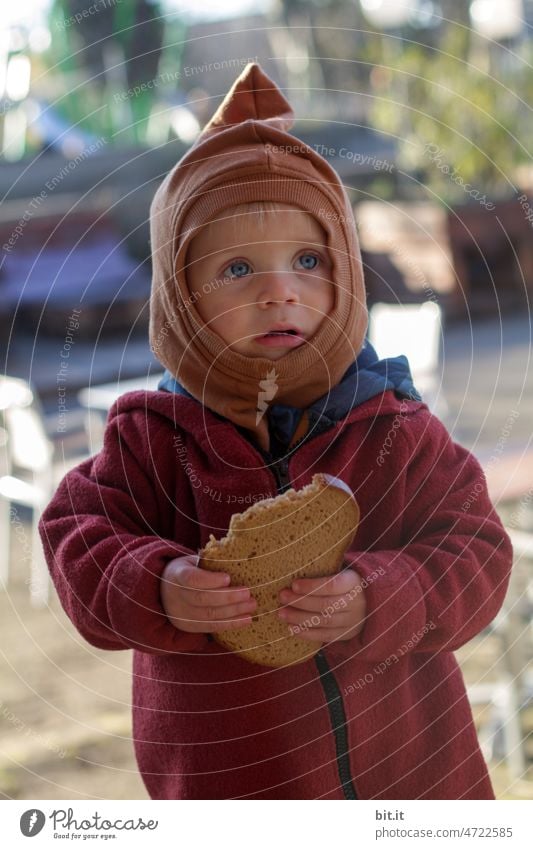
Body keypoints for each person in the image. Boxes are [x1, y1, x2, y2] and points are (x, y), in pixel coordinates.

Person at [39, 63, 513, 800]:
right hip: (238, 789)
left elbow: (477, 552)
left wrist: (380, 593)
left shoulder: (393, 426)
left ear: (346, 273)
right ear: (179, 298)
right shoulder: (151, 440)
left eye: (307, 260)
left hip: (418, 782)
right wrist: (157, 584)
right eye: (235, 267)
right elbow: (75, 536)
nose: (278, 288)